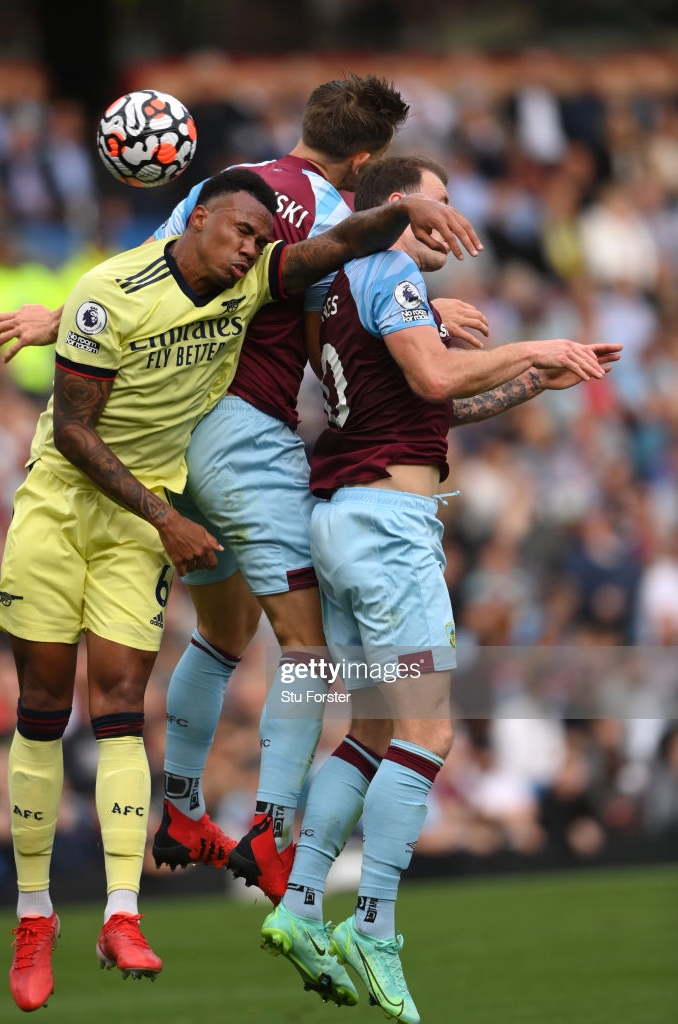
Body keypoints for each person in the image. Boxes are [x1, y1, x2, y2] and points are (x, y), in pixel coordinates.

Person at [0, 164, 483, 1013]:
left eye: (258, 238)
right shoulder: (327, 258)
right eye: (242, 232)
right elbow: (80, 409)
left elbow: (283, 259)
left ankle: (155, 858)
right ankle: (259, 841)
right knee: (313, 660)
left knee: (198, 650)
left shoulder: (265, 258)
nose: (253, 246)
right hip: (199, 469)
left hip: (182, 478)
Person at [258, 155, 621, 1020]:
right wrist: (532, 344)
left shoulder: (335, 281)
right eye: (438, 199)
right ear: (397, 204)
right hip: (387, 526)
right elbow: (432, 379)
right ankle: (372, 924)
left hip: (342, 515)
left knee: (373, 730)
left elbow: (420, 409)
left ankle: (302, 903)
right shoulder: (383, 265)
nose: (450, 216)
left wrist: (531, 381)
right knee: (428, 735)